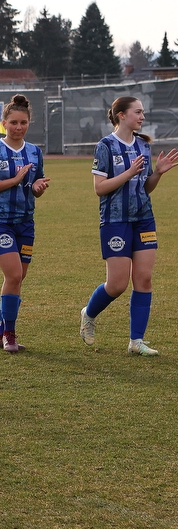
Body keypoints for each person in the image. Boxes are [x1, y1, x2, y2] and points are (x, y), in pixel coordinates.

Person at [79, 96, 178, 356]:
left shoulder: (143, 146)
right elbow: (99, 189)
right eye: (137, 112)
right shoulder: (105, 146)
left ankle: (137, 341)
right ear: (121, 115)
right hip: (115, 220)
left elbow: (145, 187)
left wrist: (157, 173)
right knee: (117, 285)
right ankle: (88, 314)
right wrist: (128, 173)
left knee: (143, 279)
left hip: (144, 217)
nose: (142, 117)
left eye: (143, 112)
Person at [0, 94, 51, 353]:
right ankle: (10, 334)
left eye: (24, 123)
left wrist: (38, 187)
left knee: (19, 278)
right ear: (4, 124)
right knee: (14, 274)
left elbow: (35, 186)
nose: (19, 127)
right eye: (14, 123)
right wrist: (15, 180)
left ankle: (0, 332)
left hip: (25, 224)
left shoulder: (34, 152)